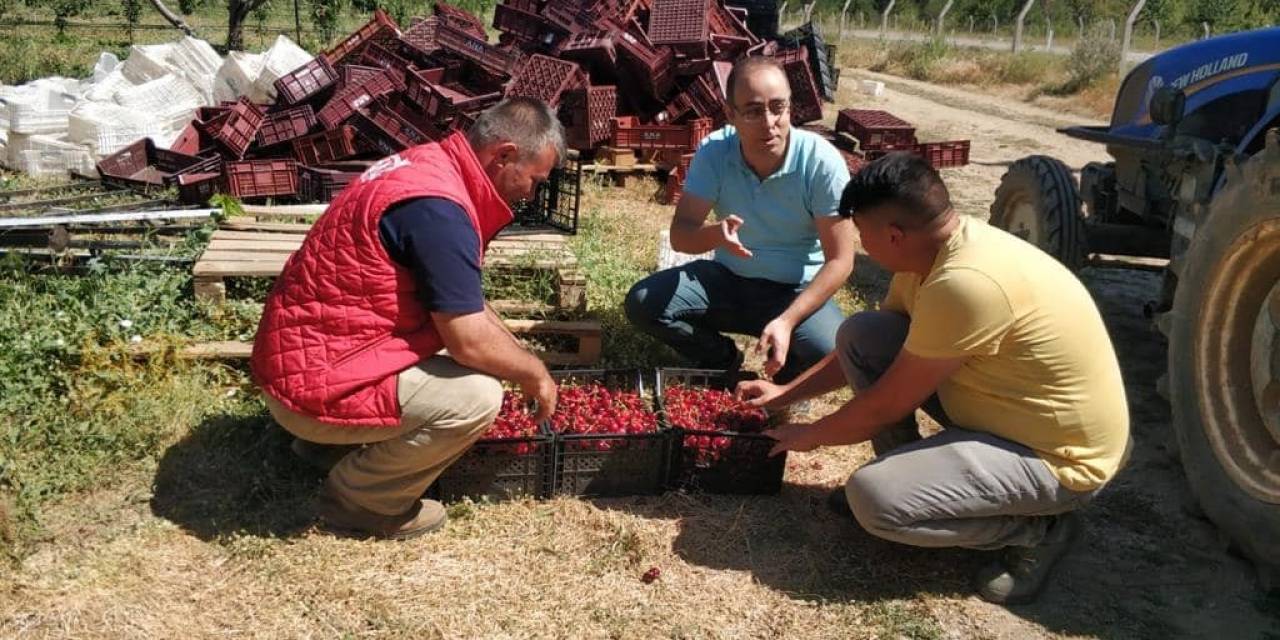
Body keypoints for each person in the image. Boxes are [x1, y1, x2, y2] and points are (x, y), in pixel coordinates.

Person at [739, 153, 1131, 604]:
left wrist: (811, 433)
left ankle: (1036, 531)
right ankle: (918, 484)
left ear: (894, 236)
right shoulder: (932, 256)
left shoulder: (964, 283)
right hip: (1009, 410)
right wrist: (785, 393)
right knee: (864, 333)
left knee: (875, 501)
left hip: (1059, 457)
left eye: (863, 236)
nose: (863, 246)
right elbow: (870, 354)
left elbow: (884, 406)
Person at [250, 98, 565, 540]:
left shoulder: (428, 167)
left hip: (306, 361)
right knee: (477, 396)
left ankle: (324, 448)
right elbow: (468, 341)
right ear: (504, 155)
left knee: (474, 366)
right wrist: (535, 374)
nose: (530, 194)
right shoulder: (441, 210)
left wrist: (520, 357)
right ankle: (361, 502)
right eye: (533, 180)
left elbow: (466, 303)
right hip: (312, 385)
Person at [624, 56, 855, 383]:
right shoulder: (715, 152)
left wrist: (787, 321)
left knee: (832, 348)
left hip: (795, 289)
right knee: (643, 303)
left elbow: (841, 260)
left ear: (791, 107)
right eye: (753, 110)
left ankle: (789, 372)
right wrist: (715, 234)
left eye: (778, 107)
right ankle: (720, 357)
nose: (769, 122)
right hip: (728, 280)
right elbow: (682, 235)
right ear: (730, 115)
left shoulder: (820, 161)